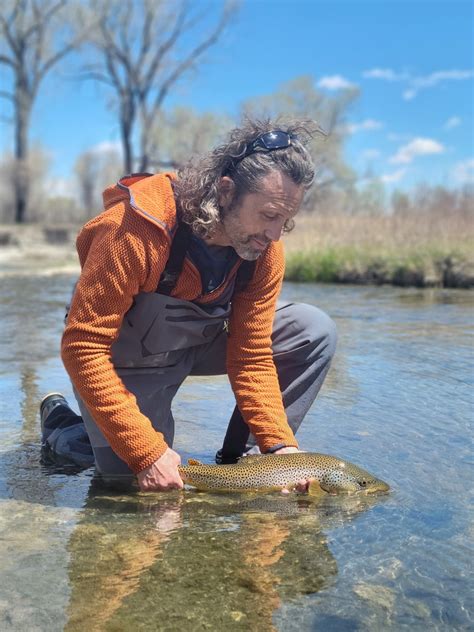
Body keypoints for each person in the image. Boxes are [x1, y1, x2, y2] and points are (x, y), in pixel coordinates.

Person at [40, 118, 337, 492]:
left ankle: (242, 466)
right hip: (128, 356)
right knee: (128, 479)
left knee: (313, 330)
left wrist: (279, 445)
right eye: (268, 215)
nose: (276, 234)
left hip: (199, 344)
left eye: (286, 220)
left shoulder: (264, 252)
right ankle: (63, 425)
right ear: (226, 192)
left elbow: (251, 356)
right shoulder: (133, 228)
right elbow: (83, 348)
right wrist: (146, 452)